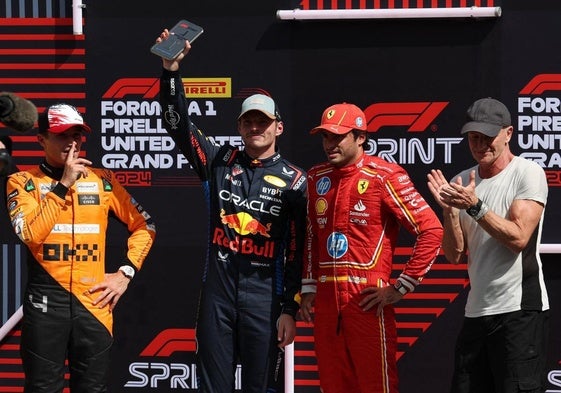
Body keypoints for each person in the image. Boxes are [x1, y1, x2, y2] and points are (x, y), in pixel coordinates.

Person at [155, 30, 307, 393]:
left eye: (263, 122)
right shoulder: (218, 160)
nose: (255, 127)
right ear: (239, 126)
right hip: (218, 298)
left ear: (278, 127)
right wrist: (171, 71)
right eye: (248, 121)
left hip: (265, 300)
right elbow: (178, 126)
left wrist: (289, 307)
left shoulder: (296, 180)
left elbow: (299, 253)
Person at [5, 103, 156, 392]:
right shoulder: (22, 182)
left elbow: (145, 226)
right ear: (41, 139)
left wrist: (125, 272)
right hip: (46, 305)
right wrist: (63, 185)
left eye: (77, 135)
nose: (72, 142)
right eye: (62, 135)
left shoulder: (104, 180)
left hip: (94, 305)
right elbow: (31, 234)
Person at [300, 102, 444, 392]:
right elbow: (311, 237)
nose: (330, 144)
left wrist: (401, 287)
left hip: (366, 304)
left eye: (338, 137)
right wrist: (309, 287)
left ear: (361, 137)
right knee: (332, 387)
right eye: (326, 136)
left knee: (376, 387)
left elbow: (431, 229)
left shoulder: (384, 176)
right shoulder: (316, 178)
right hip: (327, 308)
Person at [427, 97, 549, 393]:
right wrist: (448, 212)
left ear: (508, 133)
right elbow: (454, 255)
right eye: (474, 138)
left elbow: (519, 238)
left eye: (488, 137)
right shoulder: (461, 181)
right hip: (477, 312)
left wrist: (474, 206)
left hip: (518, 311)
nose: (480, 145)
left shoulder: (527, 173)